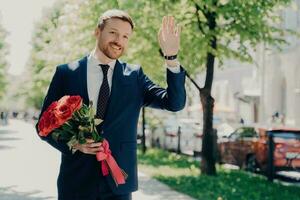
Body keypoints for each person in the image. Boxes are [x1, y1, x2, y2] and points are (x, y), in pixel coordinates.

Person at [36, 9, 186, 200]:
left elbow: (174, 103)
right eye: (113, 32)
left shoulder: (135, 77)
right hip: (76, 183)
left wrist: (171, 58)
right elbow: (43, 126)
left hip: (118, 184)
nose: (119, 40)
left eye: (125, 36)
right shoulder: (67, 73)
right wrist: (73, 144)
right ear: (97, 31)